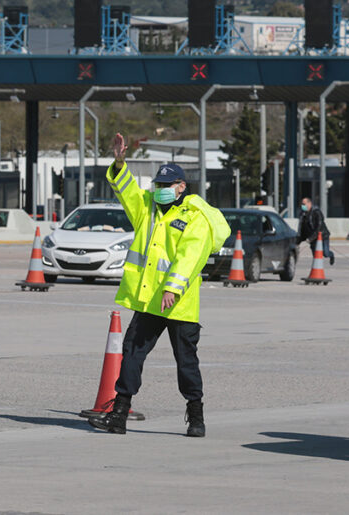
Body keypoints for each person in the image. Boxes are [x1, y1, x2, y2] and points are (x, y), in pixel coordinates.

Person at [89, 133, 229, 438]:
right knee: (131, 353)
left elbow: (189, 258)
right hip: (149, 299)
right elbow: (125, 190)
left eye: (167, 186)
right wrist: (119, 162)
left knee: (186, 362)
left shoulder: (196, 217)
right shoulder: (147, 209)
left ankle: (196, 416)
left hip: (179, 303)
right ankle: (119, 414)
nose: (161, 190)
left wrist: (173, 288)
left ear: (181, 187)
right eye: (158, 185)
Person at [297, 197, 334, 265]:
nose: (303, 206)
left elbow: (319, 227)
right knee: (315, 255)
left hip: (323, 236)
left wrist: (311, 238)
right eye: (302, 204)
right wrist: (298, 242)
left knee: (325, 253)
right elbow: (302, 229)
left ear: (309, 203)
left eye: (304, 204)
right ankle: (317, 269)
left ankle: (331, 255)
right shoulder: (302, 214)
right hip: (313, 239)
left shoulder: (317, 212)